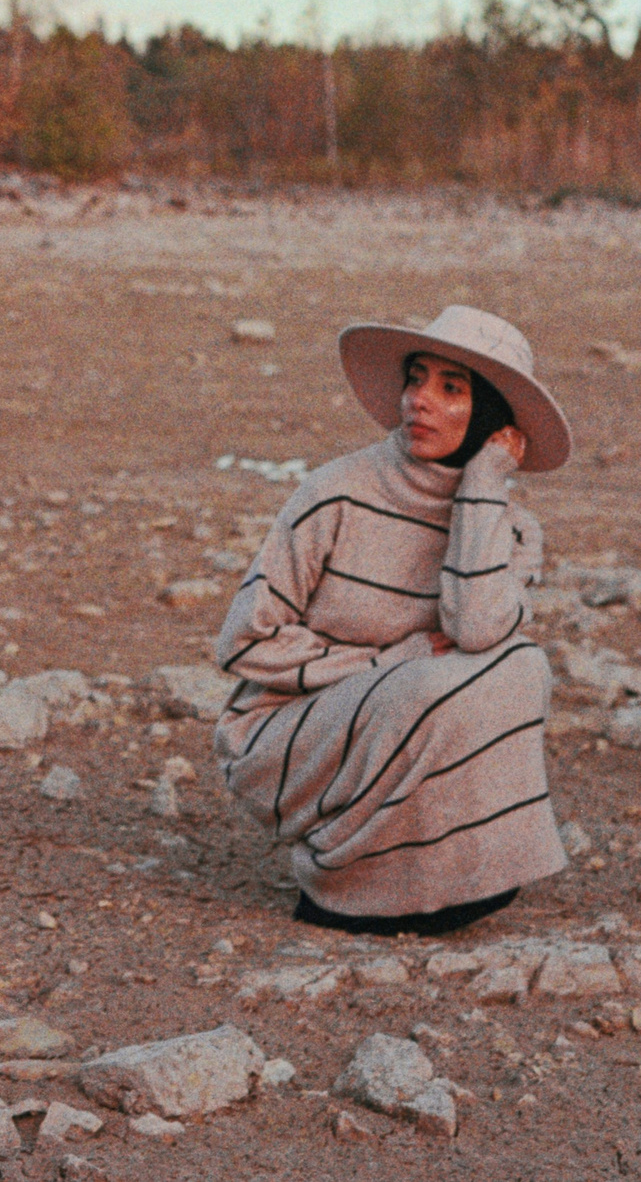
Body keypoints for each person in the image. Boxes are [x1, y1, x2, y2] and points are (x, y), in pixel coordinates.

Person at [213, 304, 574, 936]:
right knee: (435, 684)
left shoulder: (511, 531)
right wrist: (388, 664)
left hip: (398, 712)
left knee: (521, 666)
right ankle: (347, 882)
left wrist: (482, 488)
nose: (418, 400)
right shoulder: (336, 492)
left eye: (450, 388)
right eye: (416, 378)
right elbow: (247, 641)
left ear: (490, 415)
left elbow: (477, 630)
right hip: (287, 735)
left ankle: (445, 875)